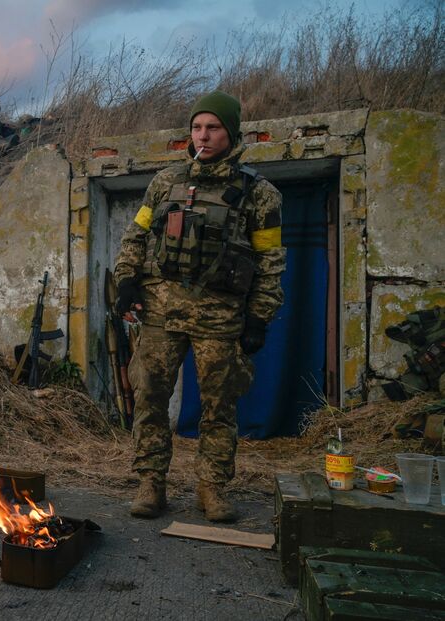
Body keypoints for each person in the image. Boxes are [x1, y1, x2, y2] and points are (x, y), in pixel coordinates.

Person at [113, 91, 286, 522]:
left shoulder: (259, 194)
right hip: (161, 312)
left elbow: (270, 262)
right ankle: (151, 483)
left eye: (213, 127)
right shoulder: (164, 182)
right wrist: (126, 281)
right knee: (151, 398)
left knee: (219, 406)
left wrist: (259, 317)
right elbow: (135, 237)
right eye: (196, 127)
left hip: (219, 317)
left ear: (231, 132)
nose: (203, 136)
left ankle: (212, 489)